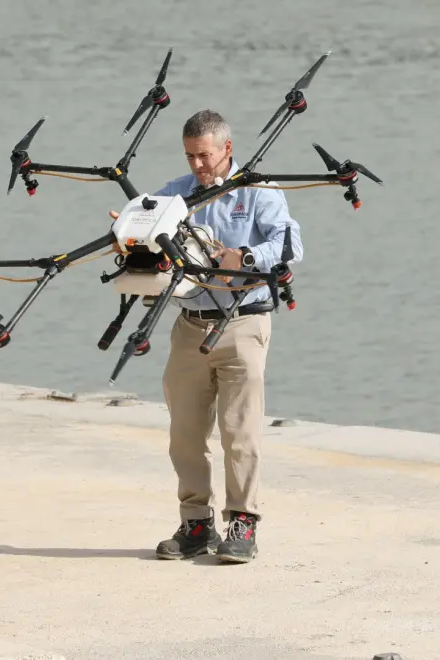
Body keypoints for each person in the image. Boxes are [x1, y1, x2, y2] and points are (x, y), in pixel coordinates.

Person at [110, 109, 303, 563]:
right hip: (189, 326)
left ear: (226, 150)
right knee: (185, 433)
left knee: (240, 432)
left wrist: (248, 258)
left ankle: (243, 524)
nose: (197, 165)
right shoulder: (176, 193)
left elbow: (292, 246)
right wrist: (127, 234)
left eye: (204, 156)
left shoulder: (260, 191)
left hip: (244, 323)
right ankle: (196, 524)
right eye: (190, 156)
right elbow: (144, 232)